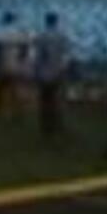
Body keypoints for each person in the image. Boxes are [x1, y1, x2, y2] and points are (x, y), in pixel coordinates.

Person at [32, 12, 71, 140]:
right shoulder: (62, 36)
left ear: (46, 21)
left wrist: (36, 71)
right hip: (58, 71)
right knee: (56, 99)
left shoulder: (41, 36)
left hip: (44, 73)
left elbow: (38, 56)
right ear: (56, 21)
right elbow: (66, 54)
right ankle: (57, 124)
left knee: (44, 100)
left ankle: (46, 126)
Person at [0, 13, 26, 120]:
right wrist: (21, 59)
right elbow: (24, 48)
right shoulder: (18, 33)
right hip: (15, 64)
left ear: (4, 20)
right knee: (14, 90)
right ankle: (17, 112)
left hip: (2, 64)